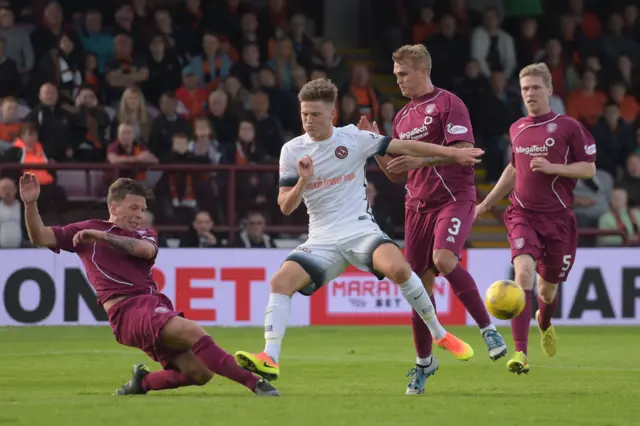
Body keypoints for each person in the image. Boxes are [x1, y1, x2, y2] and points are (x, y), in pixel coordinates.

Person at [234, 78, 484, 390]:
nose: (308, 121)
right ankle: (270, 356)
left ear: (332, 115)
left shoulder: (353, 138)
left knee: (400, 269)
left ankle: (440, 335)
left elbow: (404, 146)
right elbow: (285, 205)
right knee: (279, 282)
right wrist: (303, 180)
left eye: (315, 115)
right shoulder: (292, 151)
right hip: (322, 239)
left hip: (360, 230)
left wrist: (454, 154)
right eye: (304, 114)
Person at [19, 174, 279, 397]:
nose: (139, 216)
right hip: (127, 311)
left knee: (200, 373)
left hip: (151, 305)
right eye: (133, 208)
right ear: (114, 206)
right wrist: (30, 204)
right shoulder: (87, 230)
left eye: (142, 210)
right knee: (192, 331)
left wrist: (102, 237)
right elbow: (39, 236)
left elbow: (142, 250)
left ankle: (142, 383)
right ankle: (254, 383)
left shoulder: (142, 234)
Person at [359, 44, 507, 395]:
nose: (398, 82)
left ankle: (487, 329)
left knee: (444, 259)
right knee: (417, 289)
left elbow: (464, 155)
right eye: (395, 76)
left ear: (423, 70)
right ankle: (425, 363)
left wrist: (419, 162)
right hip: (417, 207)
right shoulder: (401, 118)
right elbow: (397, 175)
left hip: (454, 198)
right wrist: (374, 147)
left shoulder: (449, 104)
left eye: (403, 74)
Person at [475, 63, 596, 374]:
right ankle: (520, 354)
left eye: (536, 88)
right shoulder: (517, 128)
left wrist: (555, 168)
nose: (530, 93)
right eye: (525, 88)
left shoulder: (568, 126)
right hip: (522, 214)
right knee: (524, 275)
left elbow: (588, 169)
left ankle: (544, 322)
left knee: (546, 291)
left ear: (549, 91)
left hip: (558, 221)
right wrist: (488, 202)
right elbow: (515, 169)